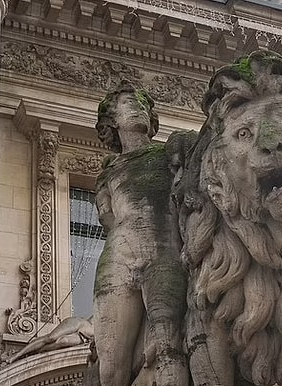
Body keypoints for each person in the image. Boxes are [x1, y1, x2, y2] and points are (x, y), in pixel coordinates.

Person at [93, 81, 192, 386]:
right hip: (118, 257)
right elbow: (108, 218)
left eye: (142, 105)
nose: (137, 108)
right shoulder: (108, 172)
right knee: (110, 369)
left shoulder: (172, 154)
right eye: (128, 104)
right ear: (113, 122)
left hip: (165, 253)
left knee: (168, 345)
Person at [6, 316, 93, 364]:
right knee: (51, 338)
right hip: (81, 324)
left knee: (61, 342)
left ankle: (31, 354)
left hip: (85, 338)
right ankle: (17, 355)